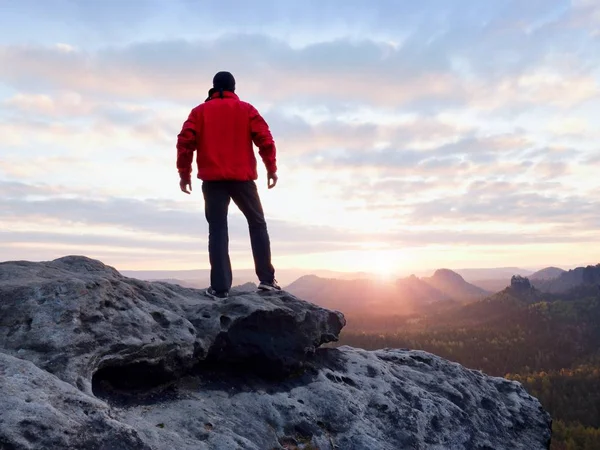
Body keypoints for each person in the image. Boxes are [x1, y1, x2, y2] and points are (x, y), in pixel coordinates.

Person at [176, 71, 281, 299]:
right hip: (243, 179)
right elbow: (265, 140)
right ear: (234, 88)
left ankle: (220, 288)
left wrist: (185, 174)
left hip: (212, 181)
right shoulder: (247, 110)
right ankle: (266, 280)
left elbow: (185, 142)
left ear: (213, 88)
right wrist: (271, 169)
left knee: (218, 229)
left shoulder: (199, 112)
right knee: (257, 223)